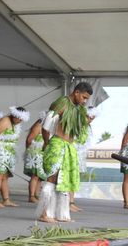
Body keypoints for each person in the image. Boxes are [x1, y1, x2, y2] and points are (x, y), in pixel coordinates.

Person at [36, 82, 93, 223]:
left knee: (65, 180)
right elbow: (46, 125)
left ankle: (62, 214)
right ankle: (45, 213)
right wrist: (47, 143)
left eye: (87, 99)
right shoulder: (62, 103)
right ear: (76, 92)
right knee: (52, 178)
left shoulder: (78, 109)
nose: (85, 101)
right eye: (84, 97)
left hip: (69, 146)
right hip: (57, 144)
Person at [0, 106, 30, 208]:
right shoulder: (4, 121)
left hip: (9, 152)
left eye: (22, 119)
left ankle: (6, 200)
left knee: (5, 176)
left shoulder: (16, 124)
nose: (20, 121)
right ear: (14, 115)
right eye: (19, 118)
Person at [71, 106, 97, 212]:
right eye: (88, 117)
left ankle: (71, 202)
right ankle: (67, 202)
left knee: (75, 177)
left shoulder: (87, 127)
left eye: (92, 118)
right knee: (70, 176)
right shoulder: (77, 124)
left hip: (80, 153)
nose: (90, 119)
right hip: (73, 151)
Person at [24, 111, 47, 203]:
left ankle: (36, 195)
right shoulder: (38, 126)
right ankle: (32, 196)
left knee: (40, 177)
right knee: (35, 176)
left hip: (42, 154)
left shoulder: (48, 128)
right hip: (35, 153)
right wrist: (28, 152)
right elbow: (29, 140)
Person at [120, 124, 128, 209]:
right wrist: (122, 154)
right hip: (127, 153)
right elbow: (125, 139)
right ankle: (126, 202)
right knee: (127, 178)